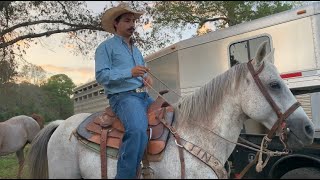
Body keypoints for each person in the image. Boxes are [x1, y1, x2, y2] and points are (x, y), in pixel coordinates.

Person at [94, 2, 154, 179]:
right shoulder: (105, 48)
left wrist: (145, 78)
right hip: (123, 98)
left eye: (133, 21)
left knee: (171, 116)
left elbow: (139, 73)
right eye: (127, 21)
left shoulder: (136, 50)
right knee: (136, 129)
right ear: (116, 24)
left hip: (143, 95)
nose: (132, 25)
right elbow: (102, 76)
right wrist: (130, 72)